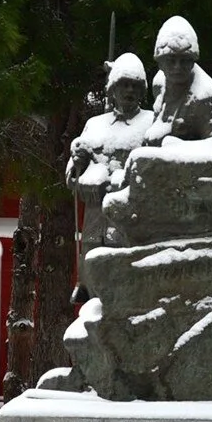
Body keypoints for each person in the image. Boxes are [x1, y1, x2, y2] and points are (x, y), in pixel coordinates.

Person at [66, 52, 154, 303]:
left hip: (131, 228)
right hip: (95, 228)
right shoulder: (95, 125)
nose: (129, 90)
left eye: (134, 85)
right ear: (112, 89)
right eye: (123, 84)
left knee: (127, 298)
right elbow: (72, 180)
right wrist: (79, 164)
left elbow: (154, 175)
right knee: (94, 298)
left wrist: (118, 181)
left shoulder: (150, 124)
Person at [143, 16, 212, 150]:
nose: (177, 67)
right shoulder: (159, 84)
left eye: (184, 60)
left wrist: (179, 147)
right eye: (171, 60)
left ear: (193, 61)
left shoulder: (207, 95)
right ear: (160, 64)